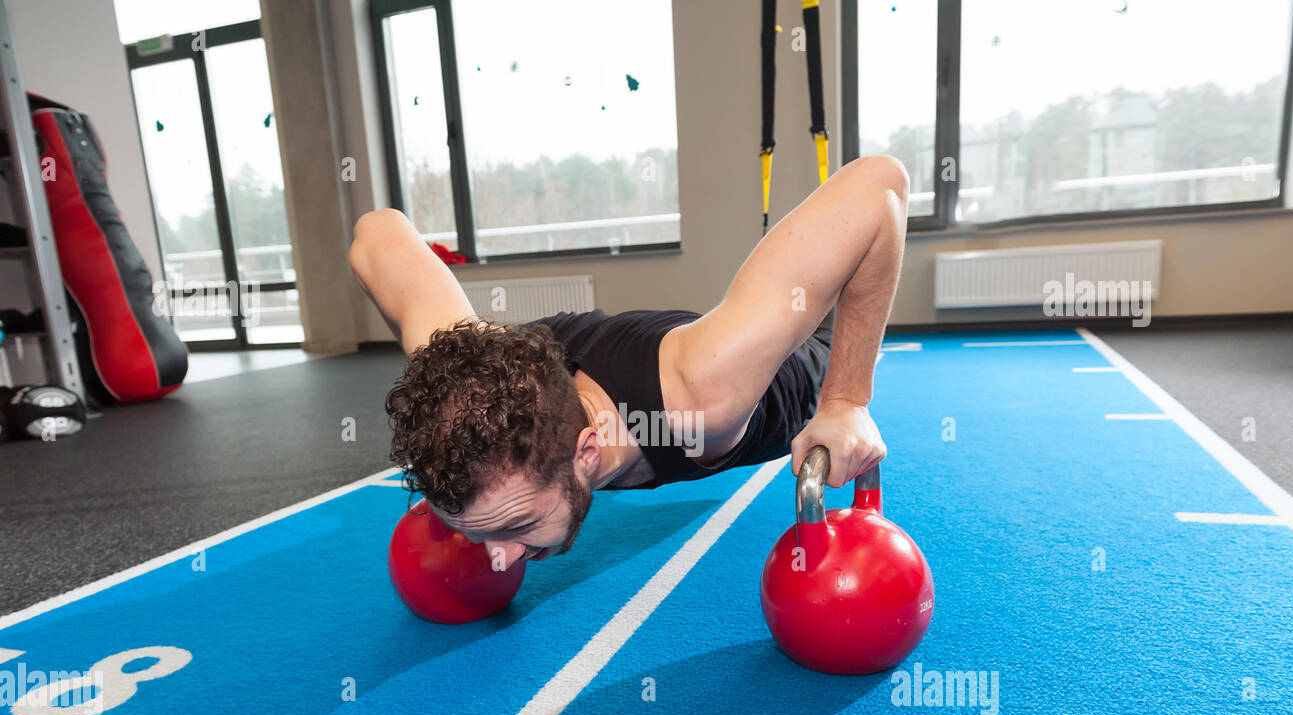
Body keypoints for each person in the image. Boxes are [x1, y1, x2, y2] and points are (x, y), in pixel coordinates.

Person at [349, 155, 908, 567]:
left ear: (587, 450)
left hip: (799, 356)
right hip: (693, 341)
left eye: (518, 524)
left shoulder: (700, 398)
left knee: (776, 329)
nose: (498, 559)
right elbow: (375, 234)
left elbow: (880, 187)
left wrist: (847, 400)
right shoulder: (472, 372)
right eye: (483, 535)